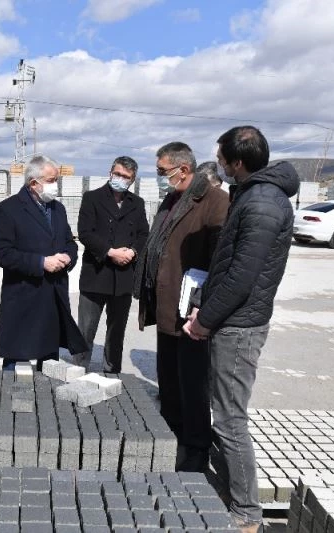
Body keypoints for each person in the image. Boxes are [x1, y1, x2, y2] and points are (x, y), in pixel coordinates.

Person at [183, 126, 299, 532]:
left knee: (230, 420)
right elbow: (227, 264)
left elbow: (241, 278)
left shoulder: (263, 203)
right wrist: (203, 303)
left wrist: (204, 321)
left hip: (239, 326)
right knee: (224, 413)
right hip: (231, 319)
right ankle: (234, 492)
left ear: (237, 162)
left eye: (221, 159)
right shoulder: (251, 194)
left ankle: (247, 513)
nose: (217, 165)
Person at [132, 144, 229, 473]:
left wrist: (202, 306)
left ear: (183, 170)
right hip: (166, 305)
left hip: (192, 313)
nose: (159, 176)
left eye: (162, 171)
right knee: (169, 380)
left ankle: (196, 449)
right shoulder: (172, 198)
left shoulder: (215, 202)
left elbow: (220, 263)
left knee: (193, 384)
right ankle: (170, 435)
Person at [0, 155, 87, 371]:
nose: (55, 185)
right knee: (17, 368)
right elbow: (3, 254)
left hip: (53, 296)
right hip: (24, 296)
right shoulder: (7, 210)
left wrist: (68, 257)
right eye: (51, 180)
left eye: (57, 180)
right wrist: (41, 262)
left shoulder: (58, 209)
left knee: (49, 366)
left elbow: (69, 242)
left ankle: (45, 390)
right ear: (34, 183)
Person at [75, 156, 149, 373]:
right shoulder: (92, 198)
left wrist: (133, 252)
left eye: (126, 176)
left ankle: (112, 370)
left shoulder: (137, 203)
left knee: (117, 330)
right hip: (96, 273)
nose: (120, 179)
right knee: (86, 328)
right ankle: (79, 368)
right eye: (117, 174)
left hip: (124, 276)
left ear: (132, 180)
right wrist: (110, 252)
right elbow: (85, 232)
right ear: (110, 172)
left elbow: (144, 234)